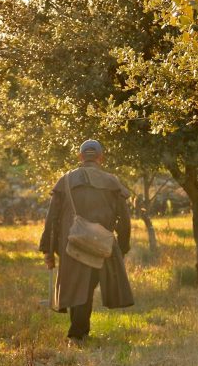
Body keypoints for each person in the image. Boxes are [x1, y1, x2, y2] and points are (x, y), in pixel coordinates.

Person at [39, 139, 134, 342]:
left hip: (71, 244)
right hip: (102, 245)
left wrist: (48, 249)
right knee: (87, 287)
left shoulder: (65, 181)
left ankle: (78, 334)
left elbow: (52, 217)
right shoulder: (112, 182)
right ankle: (79, 333)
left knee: (78, 287)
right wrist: (122, 247)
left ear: (80, 157)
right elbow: (125, 220)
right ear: (101, 158)